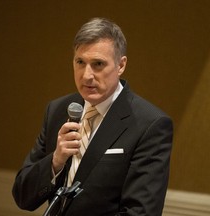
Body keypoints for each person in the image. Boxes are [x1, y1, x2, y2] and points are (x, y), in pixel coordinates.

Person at [12, 17, 173, 216]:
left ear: (121, 65)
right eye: (80, 62)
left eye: (98, 64)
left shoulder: (150, 124)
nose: (87, 75)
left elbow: (141, 212)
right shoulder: (57, 110)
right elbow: (22, 196)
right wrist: (55, 162)